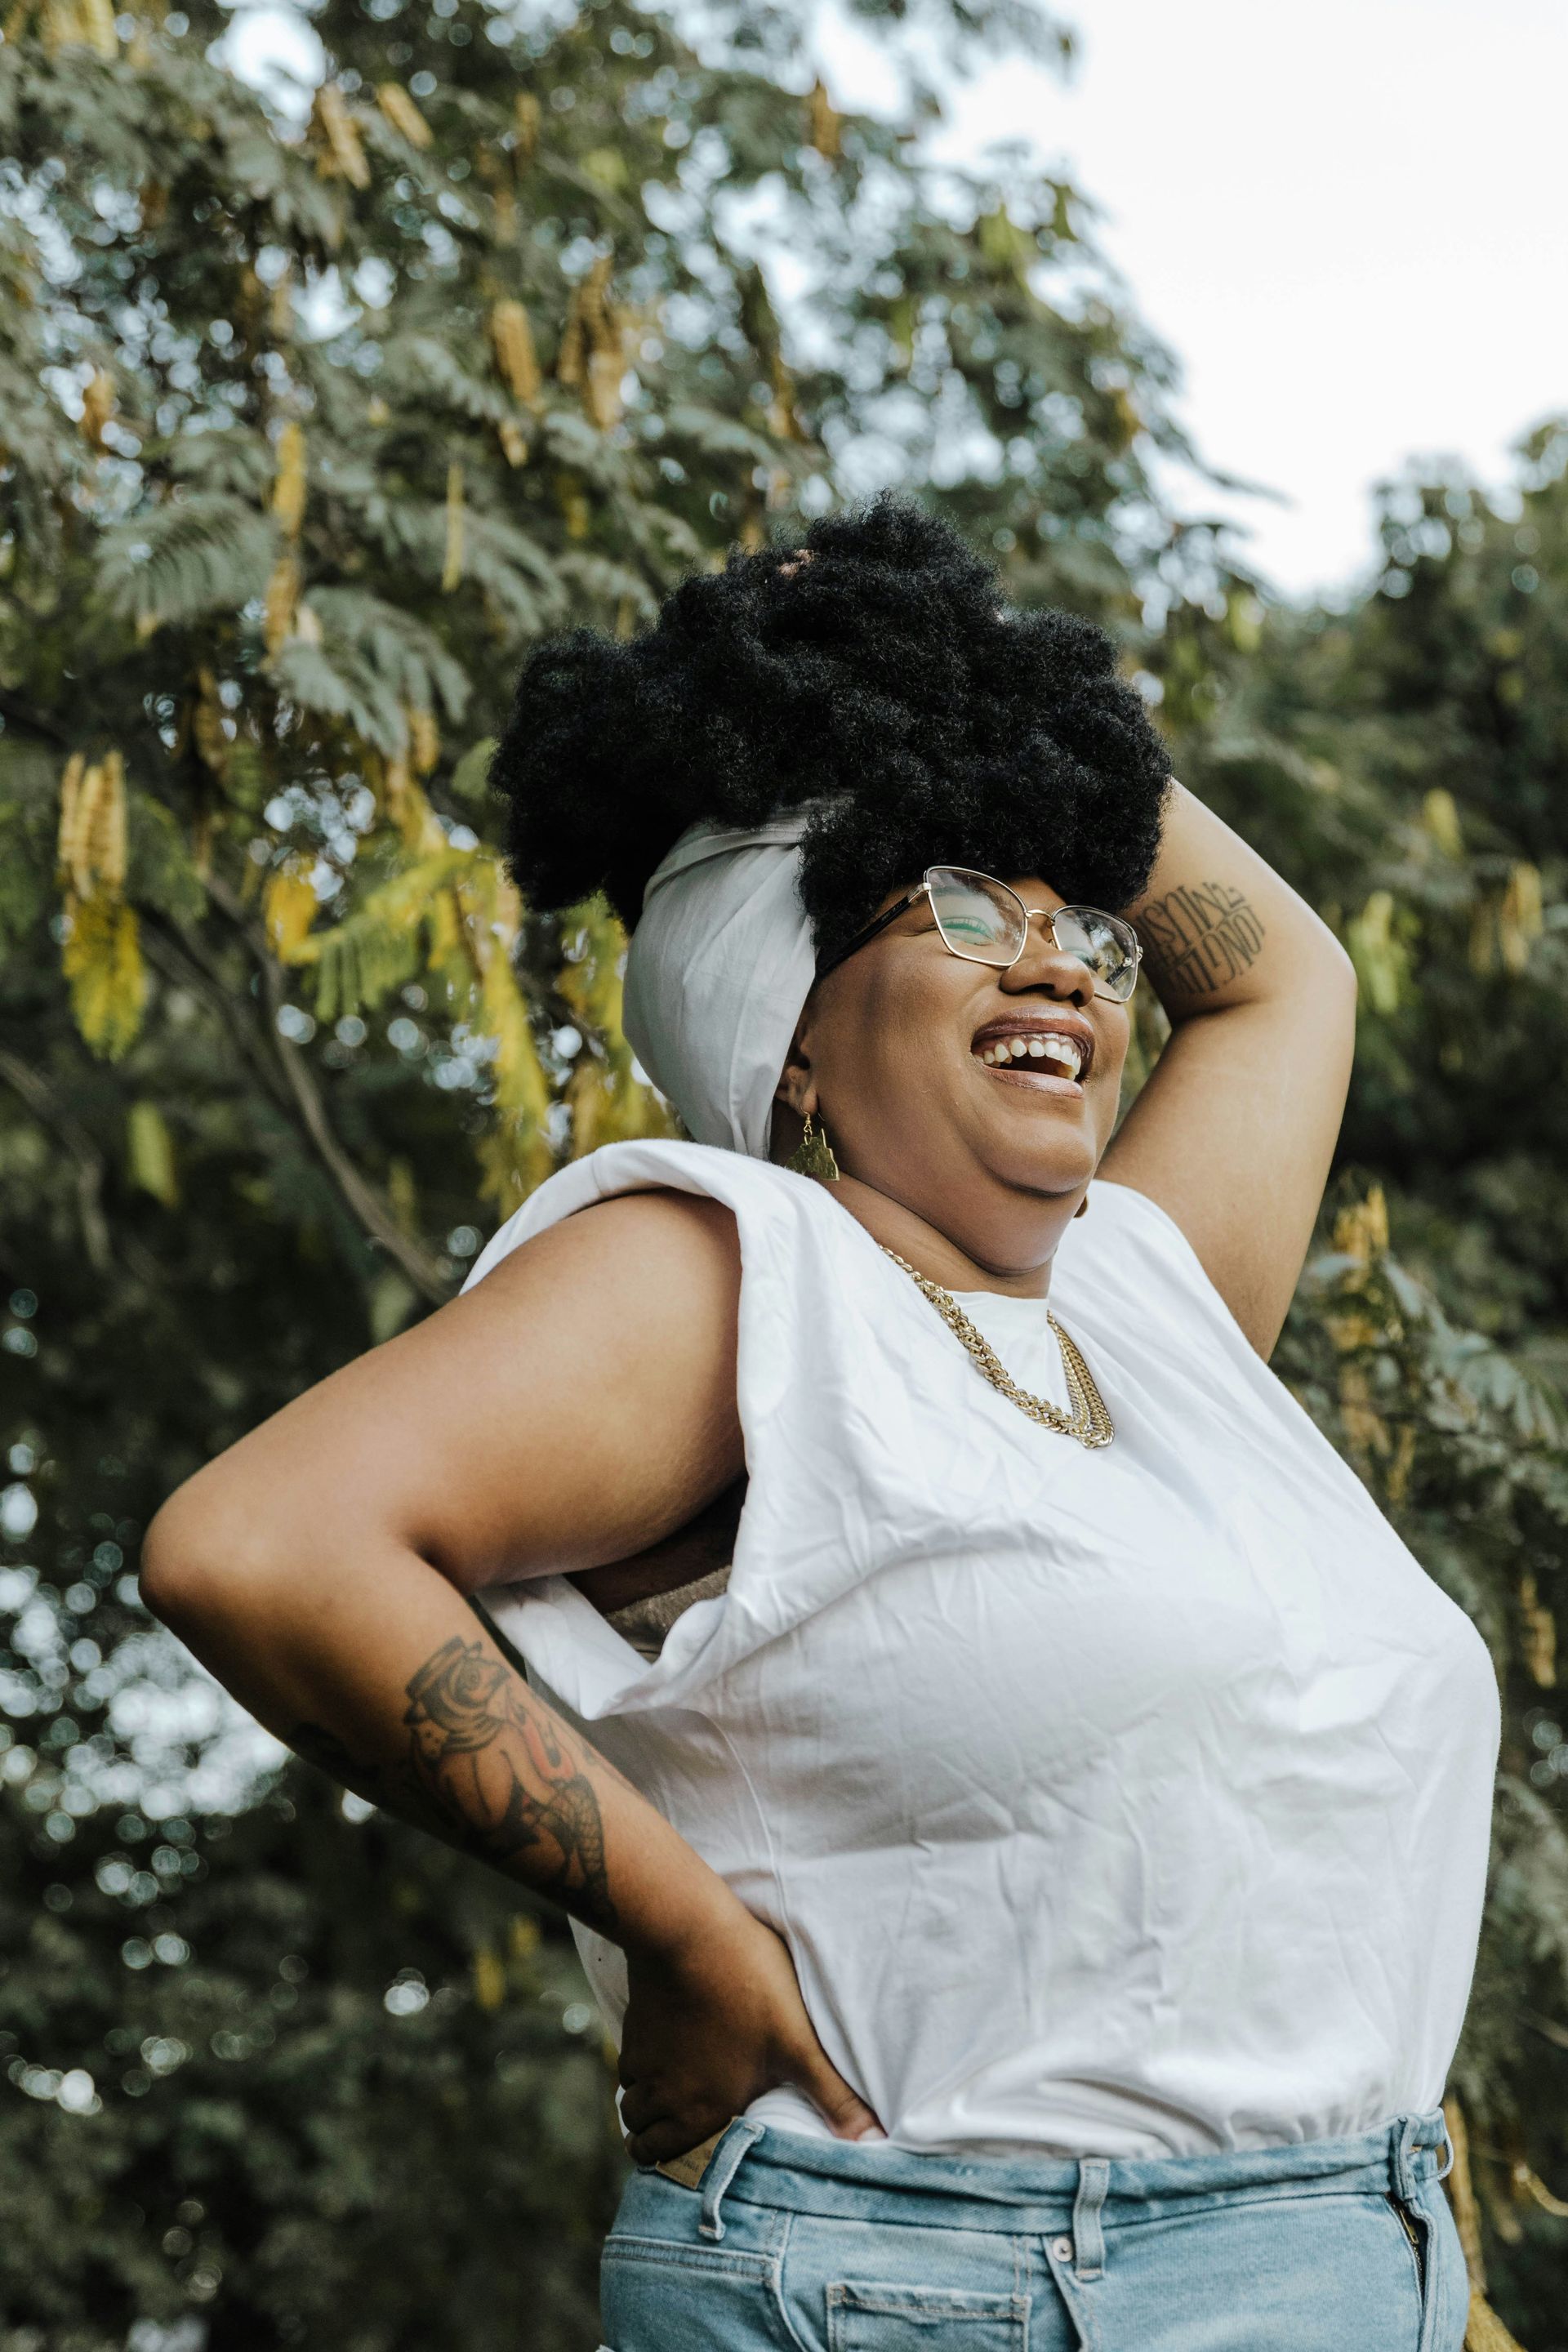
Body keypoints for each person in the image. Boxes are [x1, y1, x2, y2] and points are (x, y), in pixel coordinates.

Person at [143, 501, 1499, 2351]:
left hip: (1349, 2258)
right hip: (952, 2282)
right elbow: (262, 1544)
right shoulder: (733, 1270)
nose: (1060, 966)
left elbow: (1280, 973)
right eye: (957, 906)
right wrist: (682, 1935)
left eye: (1083, 923)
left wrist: (975, 677)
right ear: (780, 1026)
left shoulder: (1144, 1296)